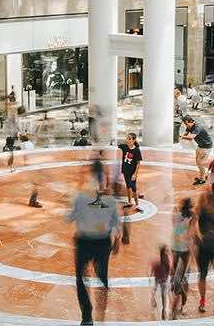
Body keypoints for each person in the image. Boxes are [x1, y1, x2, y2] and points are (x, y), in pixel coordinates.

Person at [68, 177, 121, 326]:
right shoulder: (110, 201)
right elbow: (116, 222)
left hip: (84, 242)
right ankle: (101, 311)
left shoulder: (80, 199)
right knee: (102, 276)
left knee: (81, 278)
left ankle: (87, 316)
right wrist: (117, 240)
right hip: (103, 243)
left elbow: (70, 217)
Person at [192, 188, 214, 313]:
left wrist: (196, 236)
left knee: (202, 274)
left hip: (203, 242)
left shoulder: (201, 208)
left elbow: (192, 224)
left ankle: (203, 301)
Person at [180, 115, 214, 185]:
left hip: (206, 146)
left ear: (191, 122)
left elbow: (191, 137)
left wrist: (180, 136)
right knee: (197, 161)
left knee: (199, 162)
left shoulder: (197, 127)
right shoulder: (189, 127)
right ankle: (203, 175)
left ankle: (203, 178)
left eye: (186, 124)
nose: (186, 125)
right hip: (200, 145)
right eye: (184, 124)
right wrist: (182, 136)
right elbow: (186, 134)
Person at [118, 132, 143, 213]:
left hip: (132, 173)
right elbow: (116, 145)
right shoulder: (124, 147)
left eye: (129, 138)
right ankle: (129, 202)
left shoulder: (136, 150)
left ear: (134, 140)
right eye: (127, 138)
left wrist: (135, 174)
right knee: (128, 186)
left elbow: (138, 163)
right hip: (125, 171)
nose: (127, 140)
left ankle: (137, 205)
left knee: (134, 189)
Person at [151, 245, 172, 320]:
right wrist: (167, 275)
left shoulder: (157, 259)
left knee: (155, 289)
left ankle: (153, 300)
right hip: (164, 279)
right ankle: (163, 309)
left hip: (157, 278)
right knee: (163, 294)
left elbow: (153, 267)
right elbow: (169, 268)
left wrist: (151, 274)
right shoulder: (166, 258)